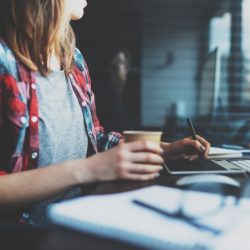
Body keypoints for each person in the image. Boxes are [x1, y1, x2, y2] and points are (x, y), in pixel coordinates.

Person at [0, 0, 210, 227]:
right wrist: (89, 169)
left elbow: (96, 141)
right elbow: (92, 163)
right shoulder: (5, 64)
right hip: (25, 236)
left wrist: (163, 150)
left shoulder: (74, 60)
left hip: (77, 220)